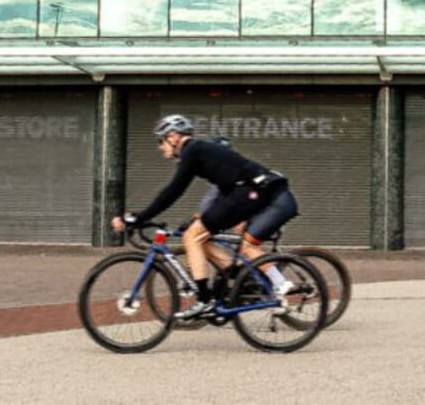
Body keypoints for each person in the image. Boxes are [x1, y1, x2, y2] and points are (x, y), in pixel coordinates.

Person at [110, 115, 298, 323]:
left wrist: (139, 218)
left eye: (161, 141)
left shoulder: (192, 149)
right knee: (199, 234)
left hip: (248, 192)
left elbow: (173, 191)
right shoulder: (197, 150)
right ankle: (236, 274)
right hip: (242, 193)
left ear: (173, 136)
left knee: (192, 236)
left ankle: (204, 299)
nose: (160, 147)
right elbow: (218, 192)